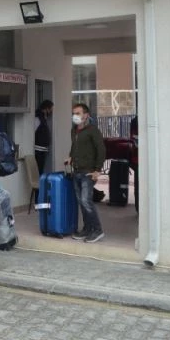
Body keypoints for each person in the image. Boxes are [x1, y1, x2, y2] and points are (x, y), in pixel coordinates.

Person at [65, 103, 106, 243]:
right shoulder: (74, 130)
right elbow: (74, 146)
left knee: (86, 201)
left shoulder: (92, 130)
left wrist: (97, 170)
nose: (75, 116)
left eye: (78, 113)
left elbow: (101, 150)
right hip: (77, 171)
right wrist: (70, 157)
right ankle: (87, 229)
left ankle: (97, 230)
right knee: (81, 202)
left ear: (86, 115)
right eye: (73, 113)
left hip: (88, 172)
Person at [34, 100, 54, 202]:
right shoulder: (38, 118)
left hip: (42, 150)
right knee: (39, 174)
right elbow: (33, 131)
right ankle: (37, 199)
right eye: (51, 109)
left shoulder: (43, 119)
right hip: (38, 150)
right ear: (46, 108)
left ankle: (40, 197)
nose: (51, 111)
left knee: (41, 173)